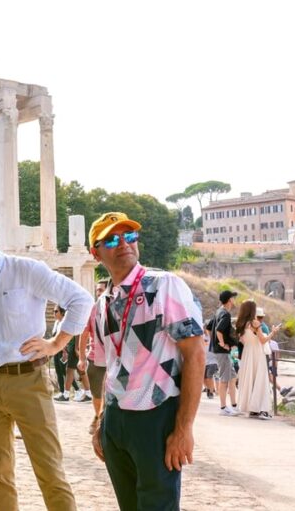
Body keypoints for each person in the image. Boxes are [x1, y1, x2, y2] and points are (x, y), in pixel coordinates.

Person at [0, 206, 94, 511]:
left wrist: (55, 343)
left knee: (49, 468)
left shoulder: (26, 270)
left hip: (29, 380)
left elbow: (81, 299)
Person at [87, 212, 204, 511]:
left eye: (130, 236)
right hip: (115, 420)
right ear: (95, 252)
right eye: (112, 238)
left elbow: (194, 354)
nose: (124, 243)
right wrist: (100, 420)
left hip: (156, 415)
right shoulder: (101, 304)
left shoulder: (164, 285)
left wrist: (183, 428)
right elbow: (101, 366)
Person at [236, 301, 277, 420]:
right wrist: (273, 333)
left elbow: (242, 340)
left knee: (250, 379)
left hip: (247, 353)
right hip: (257, 353)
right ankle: (259, 408)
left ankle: (251, 409)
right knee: (259, 379)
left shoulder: (241, 323)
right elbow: (263, 340)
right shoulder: (254, 323)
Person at [78, 280, 109, 434]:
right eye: (97, 290)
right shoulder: (92, 310)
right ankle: (98, 416)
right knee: (97, 394)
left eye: (102, 290)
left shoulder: (119, 308)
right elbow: (83, 334)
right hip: (96, 358)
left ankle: (106, 422)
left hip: (115, 360)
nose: (99, 293)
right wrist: (81, 358)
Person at [207, 290, 240, 416]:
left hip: (219, 350)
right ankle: (223, 408)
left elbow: (209, 328)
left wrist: (214, 342)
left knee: (232, 376)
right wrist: (221, 343)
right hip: (222, 351)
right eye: (233, 298)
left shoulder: (218, 311)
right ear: (230, 300)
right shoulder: (225, 314)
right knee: (224, 379)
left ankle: (234, 405)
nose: (234, 300)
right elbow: (219, 330)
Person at [52, 306, 79, 402]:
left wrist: (65, 350)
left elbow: (66, 337)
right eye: (54, 311)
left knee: (65, 371)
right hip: (56, 349)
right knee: (58, 371)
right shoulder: (56, 323)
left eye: (56, 311)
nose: (54, 314)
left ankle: (77, 389)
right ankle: (62, 392)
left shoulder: (65, 323)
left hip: (63, 349)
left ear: (62, 312)